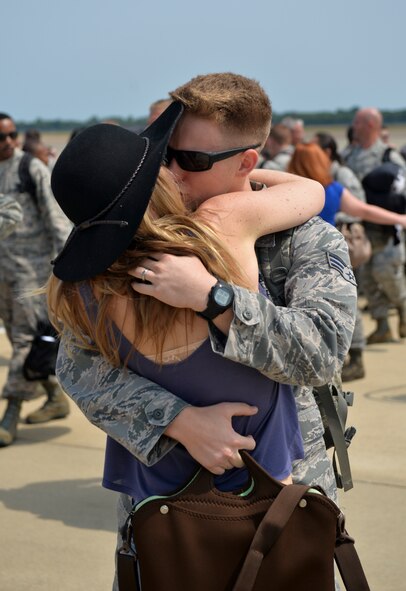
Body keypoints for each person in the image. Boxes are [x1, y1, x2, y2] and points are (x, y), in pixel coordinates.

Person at [56, 74, 357, 521]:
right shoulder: (135, 229)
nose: (172, 172)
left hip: (284, 503)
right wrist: (176, 420)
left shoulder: (305, 241)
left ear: (245, 162)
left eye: (192, 159)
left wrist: (216, 300)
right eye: (165, 153)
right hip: (161, 514)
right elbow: (76, 365)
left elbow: (322, 355)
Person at [0, 113, 71, 447]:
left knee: (27, 338)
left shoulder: (30, 169)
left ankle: (10, 412)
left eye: (11, 134)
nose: (8, 141)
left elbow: (56, 219)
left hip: (32, 272)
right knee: (18, 339)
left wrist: (65, 268)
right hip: (3, 273)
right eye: (2, 136)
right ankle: (55, 397)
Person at [344, 107, 406, 343]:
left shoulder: (388, 156)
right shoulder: (349, 154)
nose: (354, 127)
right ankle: (382, 325)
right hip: (363, 227)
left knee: (386, 272)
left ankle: (402, 308)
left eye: (357, 123)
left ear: (370, 125)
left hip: (387, 228)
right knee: (367, 277)